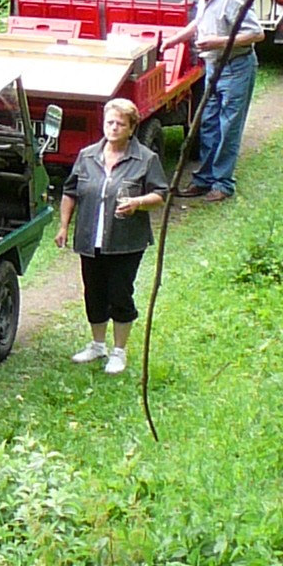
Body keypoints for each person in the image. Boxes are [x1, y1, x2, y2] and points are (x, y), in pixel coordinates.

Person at [55, 97, 168, 376]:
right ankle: (97, 345)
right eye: (110, 122)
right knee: (93, 292)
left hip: (125, 241)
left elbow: (160, 194)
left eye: (120, 124)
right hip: (89, 238)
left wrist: (138, 202)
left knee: (120, 293)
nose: (114, 128)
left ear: (132, 128)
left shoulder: (146, 159)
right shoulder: (87, 156)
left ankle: (119, 350)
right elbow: (70, 192)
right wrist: (63, 226)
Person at [179, 0, 260, 201]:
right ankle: (204, 178)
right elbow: (199, 22)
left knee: (228, 127)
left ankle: (223, 184)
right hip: (213, 67)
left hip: (236, 67)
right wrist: (175, 39)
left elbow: (256, 34)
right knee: (209, 123)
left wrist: (218, 42)